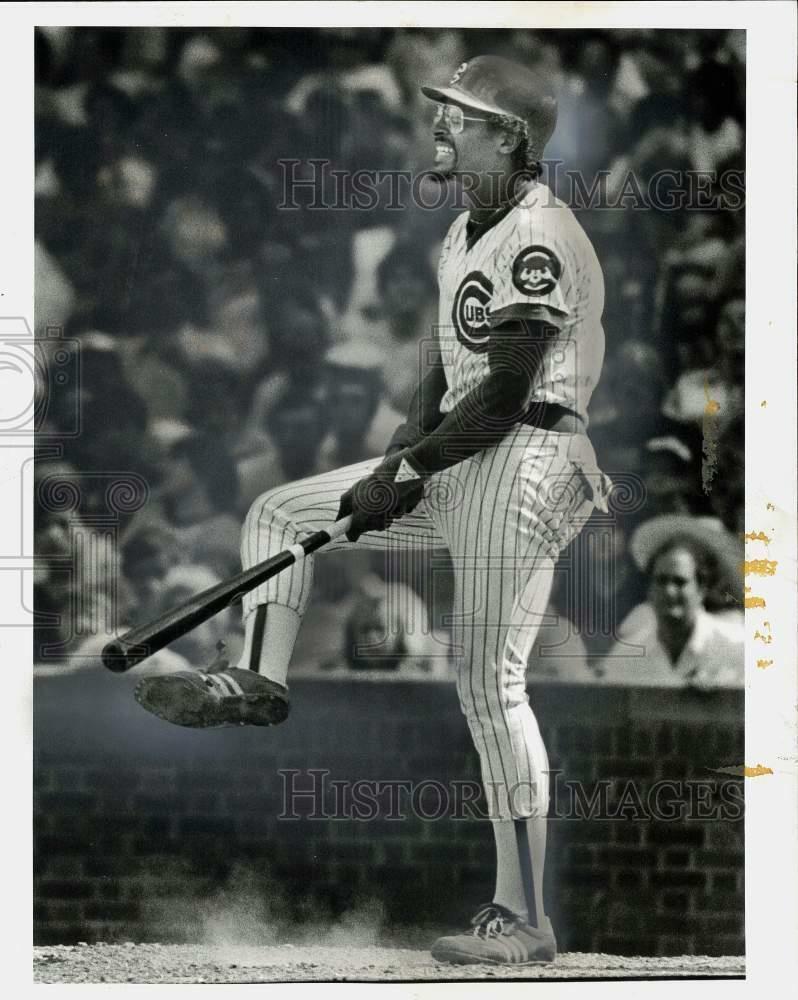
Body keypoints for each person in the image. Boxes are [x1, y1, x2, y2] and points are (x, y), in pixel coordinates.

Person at [135, 55, 611, 967]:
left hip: (535, 455)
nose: (440, 125)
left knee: (486, 680)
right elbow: (445, 374)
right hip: (470, 454)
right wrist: (402, 451)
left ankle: (524, 919)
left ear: (510, 137)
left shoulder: (541, 232)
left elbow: (507, 393)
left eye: (461, 115)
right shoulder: (463, 231)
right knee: (278, 510)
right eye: (441, 109)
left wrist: (408, 471)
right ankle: (259, 678)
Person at [598, 517, 744, 688]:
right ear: (650, 589)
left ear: (701, 588)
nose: (669, 591)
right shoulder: (625, 658)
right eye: (661, 581)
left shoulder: (737, 647)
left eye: (679, 582)